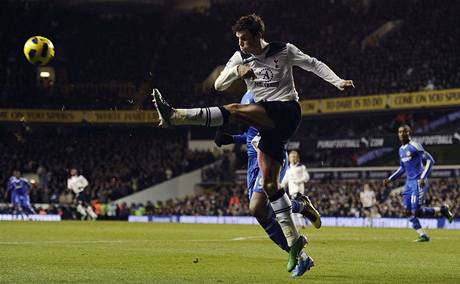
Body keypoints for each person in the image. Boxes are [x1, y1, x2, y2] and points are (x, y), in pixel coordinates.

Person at [153, 13, 354, 271]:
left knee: (236, 109)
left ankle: (176, 116)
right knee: (263, 197)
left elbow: (313, 64)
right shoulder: (240, 58)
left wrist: (337, 81)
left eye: (245, 39)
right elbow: (218, 84)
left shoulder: (284, 50)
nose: (241, 44)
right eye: (238, 39)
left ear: (259, 35)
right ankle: (295, 246)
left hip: (287, 111)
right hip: (267, 129)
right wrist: (238, 71)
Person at [215, 91, 320, 277]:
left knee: (256, 207)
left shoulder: (269, 90)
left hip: (269, 156)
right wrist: (232, 139)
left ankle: (300, 211)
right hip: (253, 162)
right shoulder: (246, 95)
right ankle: (302, 255)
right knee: (262, 213)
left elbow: (271, 129)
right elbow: (250, 134)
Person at [383, 125, 453, 242]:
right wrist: (390, 179)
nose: (401, 134)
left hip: (418, 182)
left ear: (409, 133)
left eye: (404, 132)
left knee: (415, 211)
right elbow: (402, 168)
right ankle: (425, 232)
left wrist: (422, 177)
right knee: (408, 212)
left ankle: (441, 211)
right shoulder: (401, 150)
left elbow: (430, 160)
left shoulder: (415, 146)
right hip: (408, 184)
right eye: (399, 132)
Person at [281, 150, 320, 229]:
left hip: (298, 191)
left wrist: (298, 181)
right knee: (295, 208)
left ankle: (300, 224)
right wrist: (281, 188)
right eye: (292, 157)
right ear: (289, 158)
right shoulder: (288, 169)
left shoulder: (301, 167)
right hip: (291, 191)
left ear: (297, 158)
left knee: (295, 207)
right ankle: (300, 224)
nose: (293, 158)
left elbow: (306, 177)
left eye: (295, 157)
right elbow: (285, 181)